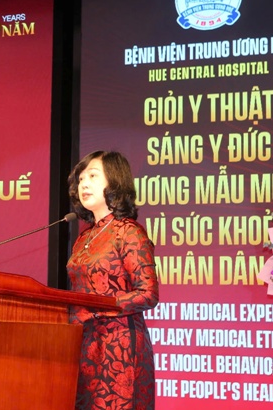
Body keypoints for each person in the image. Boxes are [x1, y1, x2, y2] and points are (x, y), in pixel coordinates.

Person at [66, 150, 160, 410]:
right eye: (80, 179)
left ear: (115, 182)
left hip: (119, 349)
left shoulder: (128, 232)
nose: (84, 184)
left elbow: (148, 293)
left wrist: (97, 308)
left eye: (92, 176)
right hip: (85, 345)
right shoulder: (84, 238)